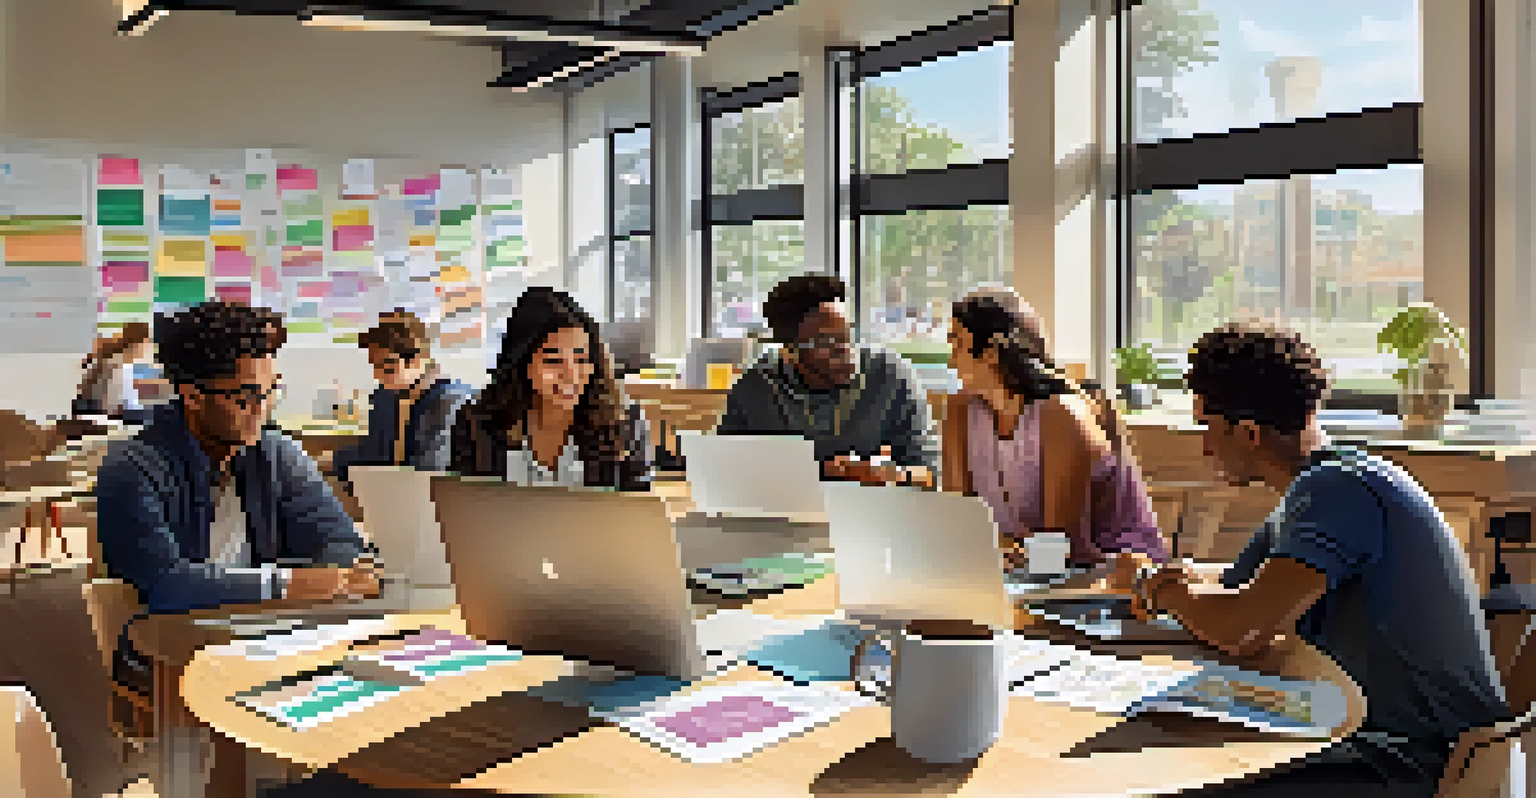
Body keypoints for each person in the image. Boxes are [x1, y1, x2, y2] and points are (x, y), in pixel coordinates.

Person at [1112, 321, 1510, 797]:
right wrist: (1172, 577)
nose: (1205, 447)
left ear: (1249, 433)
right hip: (1379, 738)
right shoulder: (1327, 482)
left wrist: (1165, 591)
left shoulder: (1337, 491)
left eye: (1207, 427)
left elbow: (1242, 629)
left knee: (1174, 779)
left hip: (1417, 759)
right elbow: (1244, 593)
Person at [96, 302, 378, 701]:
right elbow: (167, 586)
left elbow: (339, 543)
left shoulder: (276, 453)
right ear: (192, 396)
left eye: (270, 391)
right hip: (171, 654)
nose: (262, 410)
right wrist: (288, 583)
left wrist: (339, 574)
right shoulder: (131, 467)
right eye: (245, 396)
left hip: (266, 640)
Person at [944, 288, 1167, 567]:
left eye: (957, 344)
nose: (951, 360)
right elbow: (958, 521)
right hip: (1023, 572)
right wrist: (992, 547)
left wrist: (993, 547)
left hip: (1112, 572)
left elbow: (1061, 547)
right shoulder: (960, 410)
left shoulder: (1062, 415)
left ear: (990, 353)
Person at [716, 274, 936, 487]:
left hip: (869, 508)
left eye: (847, 335)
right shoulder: (755, 387)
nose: (845, 349)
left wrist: (890, 476)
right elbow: (724, 472)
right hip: (781, 508)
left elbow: (929, 474)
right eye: (826, 341)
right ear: (789, 351)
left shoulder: (891, 376)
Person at [450, 287, 650, 490]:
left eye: (582, 360)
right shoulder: (476, 425)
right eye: (554, 361)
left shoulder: (624, 424)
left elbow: (638, 506)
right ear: (522, 362)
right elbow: (461, 504)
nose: (571, 375)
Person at [330, 310, 474, 487]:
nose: (377, 375)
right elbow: (373, 454)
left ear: (416, 361)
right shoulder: (385, 396)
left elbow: (427, 471)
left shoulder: (449, 401)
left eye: (387, 367)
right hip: (385, 490)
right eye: (374, 366)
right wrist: (333, 460)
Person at [72, 321, 153, 423]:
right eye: (148, 343)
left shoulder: (113, 360)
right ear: (140, 344)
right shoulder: (120, 368)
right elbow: (117, 407)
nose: (148, 348)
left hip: (106, 415)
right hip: (114, 420)